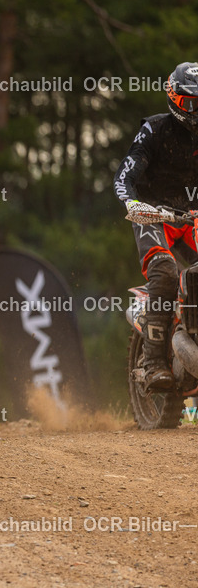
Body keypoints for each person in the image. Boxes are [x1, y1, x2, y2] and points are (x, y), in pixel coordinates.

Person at [115, 61, 198, 391]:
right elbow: (124, 177)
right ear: (176, 100)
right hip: (155, 215)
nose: (197, 111)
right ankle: (153, 364)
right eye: (192, 103)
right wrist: (133, 204)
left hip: (192, 217)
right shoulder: (154, 130)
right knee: (164, 272)